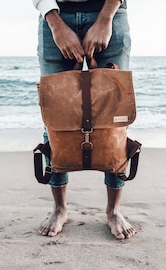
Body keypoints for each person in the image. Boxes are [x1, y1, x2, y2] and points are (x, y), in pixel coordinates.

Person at [32, 0, 135, 240]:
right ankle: (59, 209)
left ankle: (114, 210)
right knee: (56, 119)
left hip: (111, 12)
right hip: (55, 16)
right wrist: (55, 24)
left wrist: (105, 17)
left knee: (114, 118)